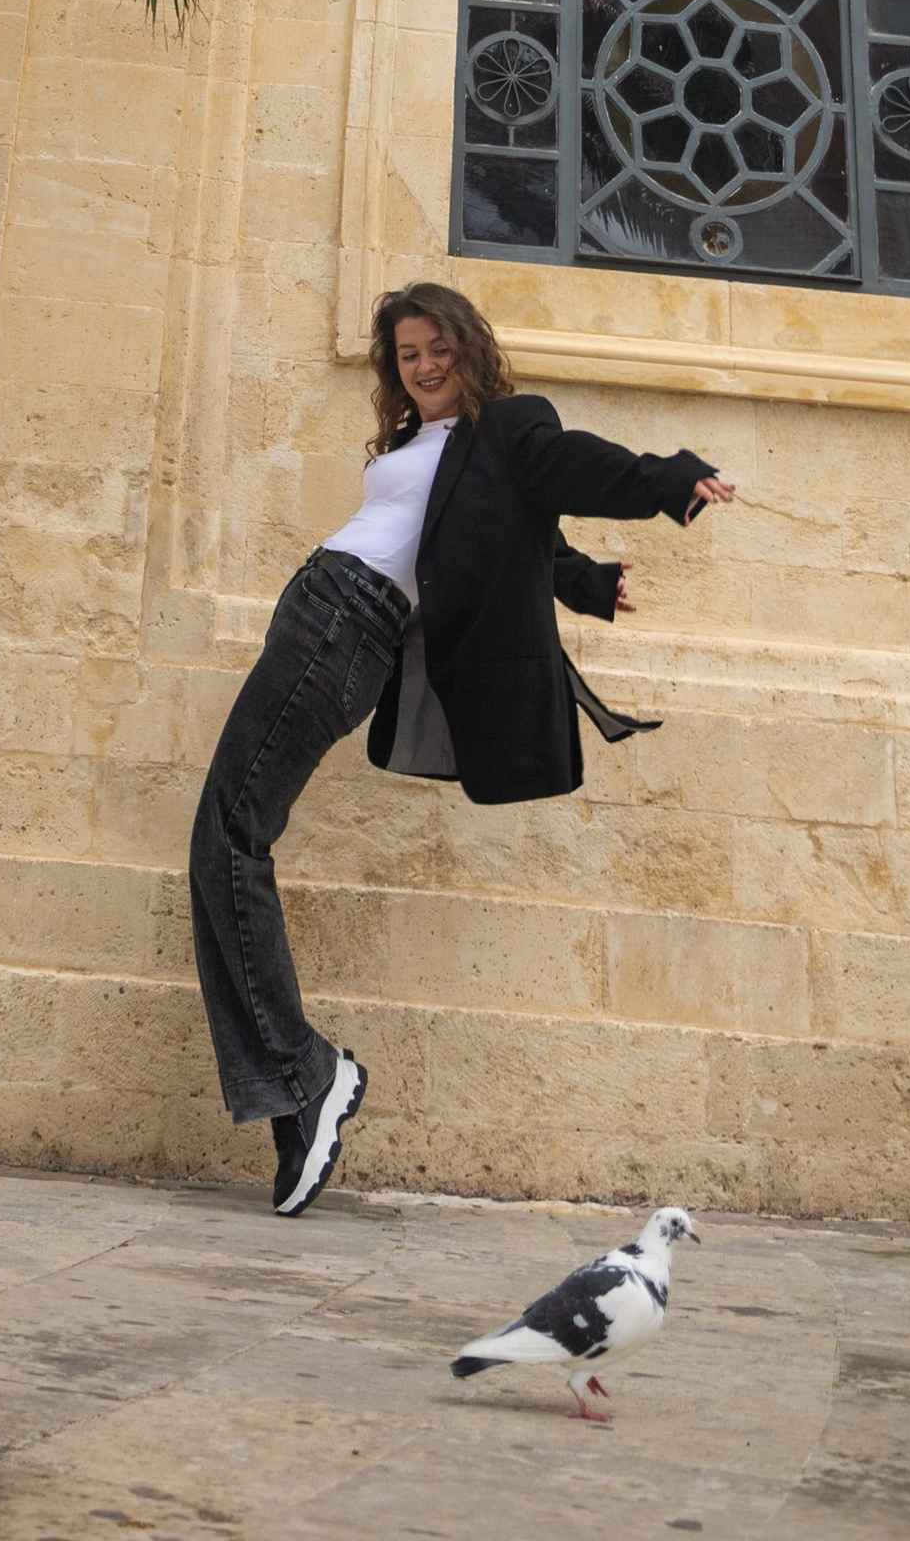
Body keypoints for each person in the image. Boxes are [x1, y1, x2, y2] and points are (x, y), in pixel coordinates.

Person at [189, 277, 736, 1215]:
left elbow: (570, 467)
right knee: (228, 838)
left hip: (347, 621)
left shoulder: (509, 426)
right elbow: (500, 536)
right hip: (317, 609)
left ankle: (305, 1077)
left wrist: (667, 480)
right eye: (408, 355)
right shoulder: (422, 445)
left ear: (469, 349)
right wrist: (584, 582)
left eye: (438, 348)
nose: (424, 366)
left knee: (228, 836)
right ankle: (298, 1090)